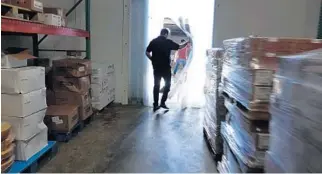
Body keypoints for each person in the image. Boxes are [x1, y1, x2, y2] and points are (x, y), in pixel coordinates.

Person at [146, 28, 189, 112]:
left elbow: (147, 52)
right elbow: (180, 46)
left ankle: (155, 105)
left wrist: (152, 60)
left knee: (156, 85)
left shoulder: (153, 41)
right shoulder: (168, 42)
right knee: (168, 85)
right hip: (166, 68)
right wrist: (187, 42)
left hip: (156, 67)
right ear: (165, 34)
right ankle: (162, 102)